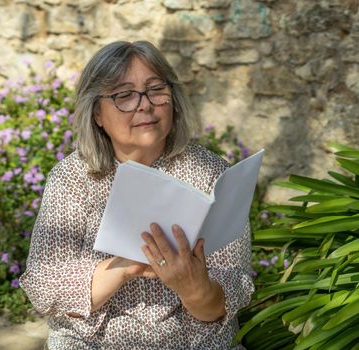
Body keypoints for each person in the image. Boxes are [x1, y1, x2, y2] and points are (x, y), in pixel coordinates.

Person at [19, 40, 254, 349]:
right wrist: (126, 266)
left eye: (156, 89)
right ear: (97, 114)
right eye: (124, 95)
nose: (144, 104)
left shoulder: (210, 173)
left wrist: (194, 288)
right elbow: (44, 285)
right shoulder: (73, 177)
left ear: (174, 100)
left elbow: (233, 289)